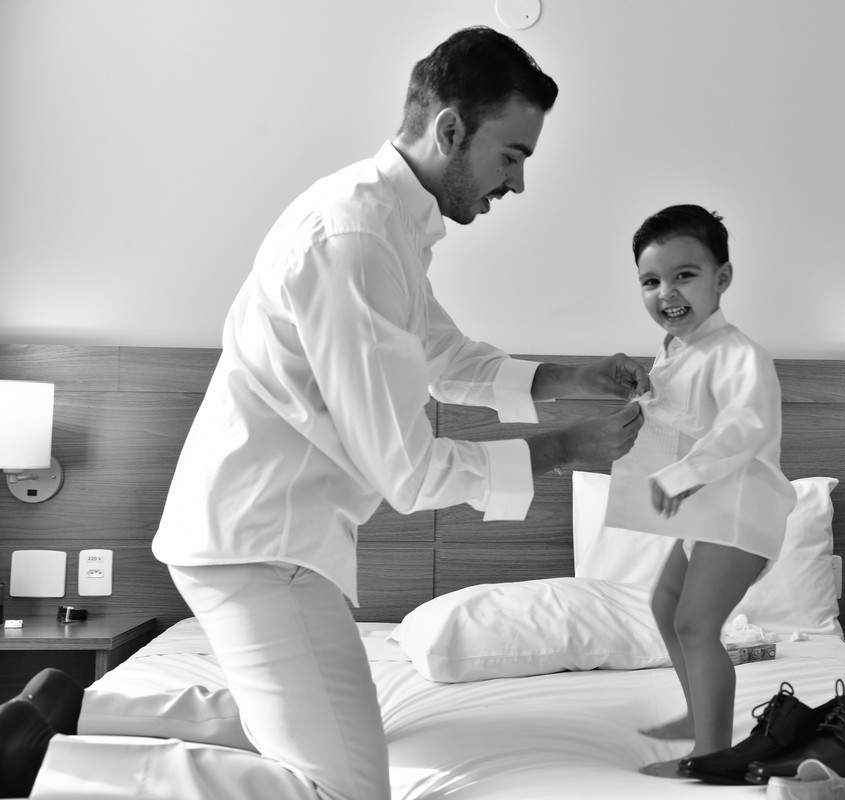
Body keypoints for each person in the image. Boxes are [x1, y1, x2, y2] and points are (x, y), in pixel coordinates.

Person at [6, 27, 648, 800]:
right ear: (451, 130)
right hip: (258, 546)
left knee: (323, 726)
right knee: (341, 790)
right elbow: (408, 472)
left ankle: (74, 712)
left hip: (263, 535)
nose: (516, 183)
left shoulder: (384, 221)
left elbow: (444, 357)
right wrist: (567, 449)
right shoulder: (358, 239)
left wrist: (572, 378)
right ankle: (46, 763)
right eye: (511, 156)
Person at [603, 205, 795, 779]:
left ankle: (712, 756)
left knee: (695, 624)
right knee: (665, 606)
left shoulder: (739, 354)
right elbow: (675, 420)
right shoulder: (675, 349)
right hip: (707, 517)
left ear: (722, 278)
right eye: (651, 281)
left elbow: (744, 427)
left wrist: (682, 477)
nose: (667, 292)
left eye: (684, 275)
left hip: (740, 513)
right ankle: (697, 715)